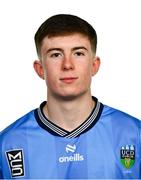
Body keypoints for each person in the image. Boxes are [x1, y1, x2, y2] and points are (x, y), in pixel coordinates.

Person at [0, 14, 140, 179]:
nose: (67, 65)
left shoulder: (134, 134)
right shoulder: (8, 143)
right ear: (40, 69)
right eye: (55, 54)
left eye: (78, 53)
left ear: (94, 65)